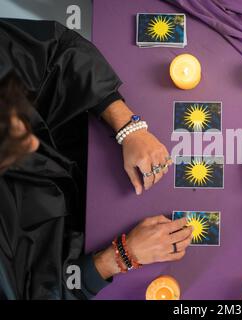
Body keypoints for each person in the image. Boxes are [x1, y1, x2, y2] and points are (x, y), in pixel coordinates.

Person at [0, 18, 192, 300]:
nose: (31, 141)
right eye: (12, 148)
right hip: (66, 246)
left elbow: (57, 49)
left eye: (17, 114)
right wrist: (122, 257)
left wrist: (127, 126)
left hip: (84, 139)